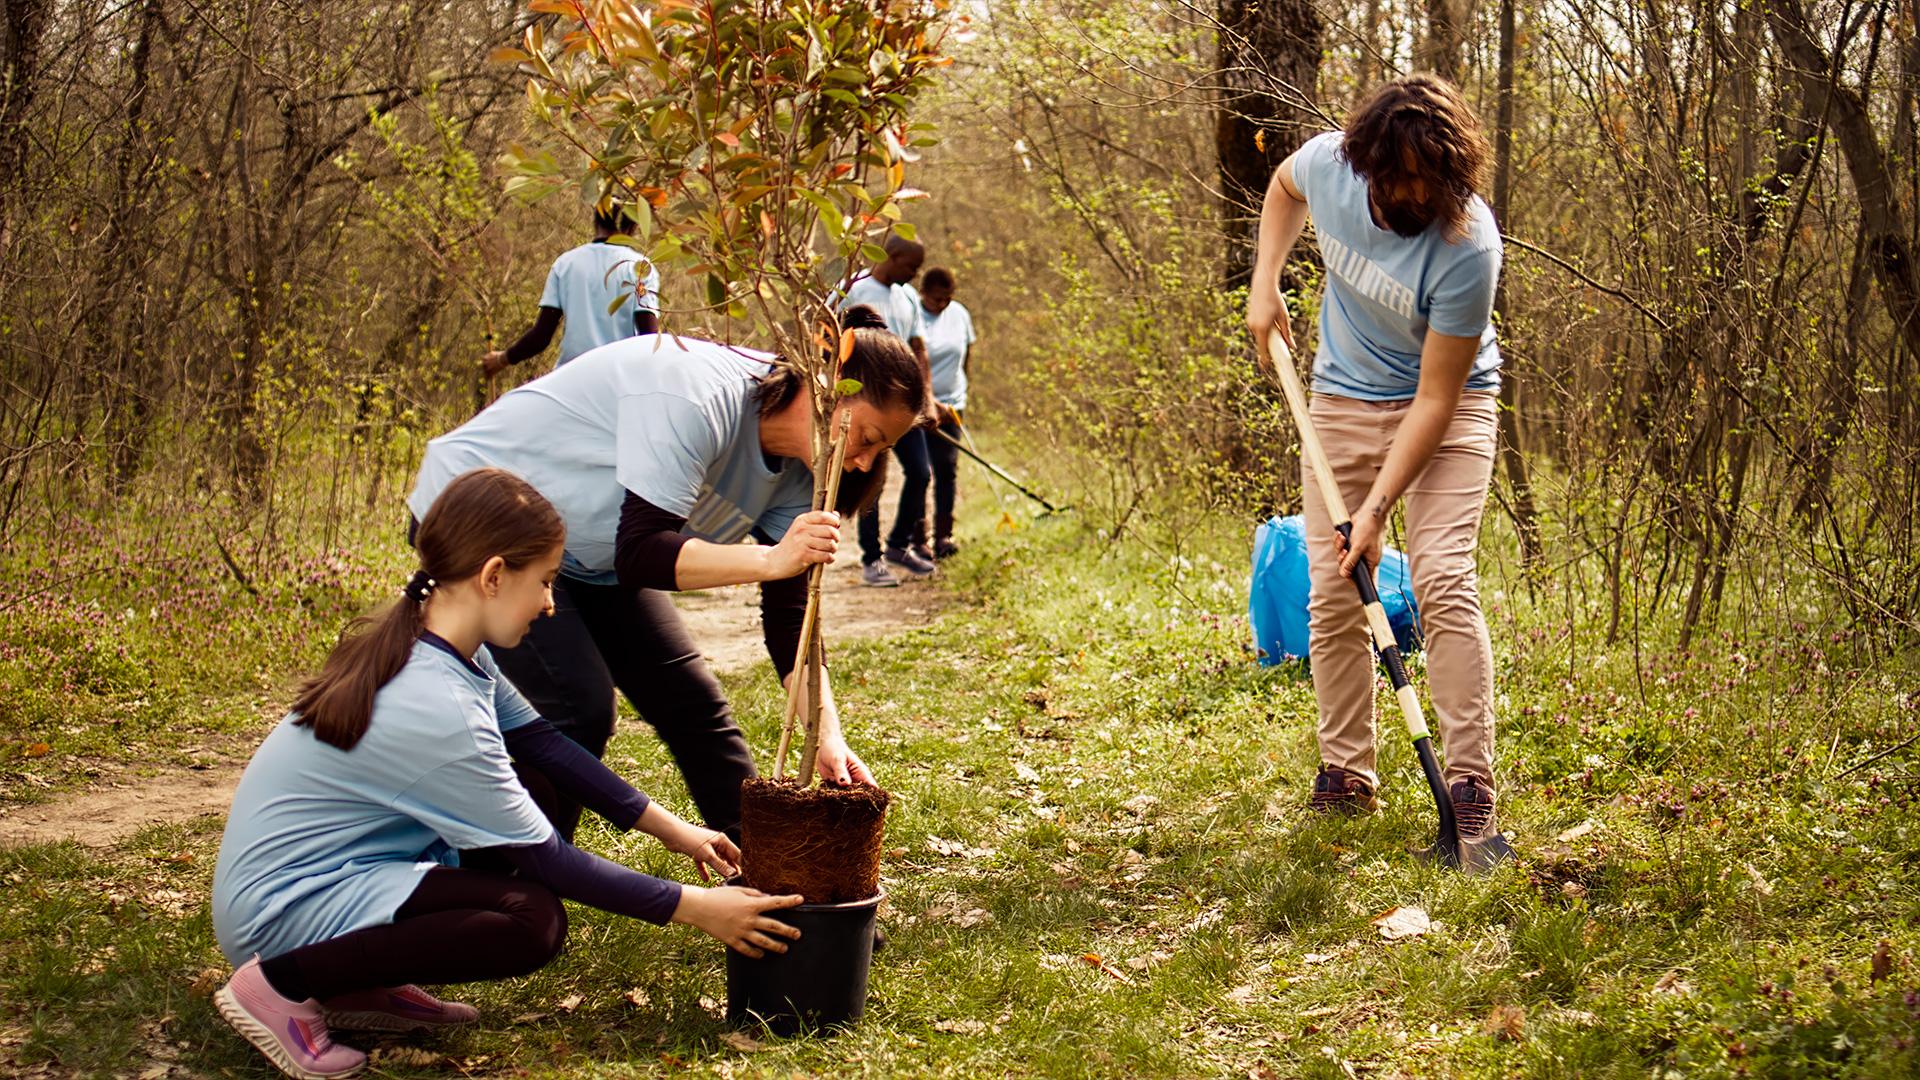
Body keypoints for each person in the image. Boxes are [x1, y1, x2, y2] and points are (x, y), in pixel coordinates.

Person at [210, 468, 804, 1080]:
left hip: (329, 880)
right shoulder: (439, 704)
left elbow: (545, 745)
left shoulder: (445, 645)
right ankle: (282, 986)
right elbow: (547, 860)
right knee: (531, 922)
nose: (552, 603)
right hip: (278, 916)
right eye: (545, 581)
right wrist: (698, 907)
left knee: (539, 787)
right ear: (494, 576)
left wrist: (677, 831)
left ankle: (358, 984)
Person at [407, 310, 926, 846]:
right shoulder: (696, 395)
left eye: (879, 450)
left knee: (693, 705)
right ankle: (511, 886)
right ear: (823, 386)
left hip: (589, 554)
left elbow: (790, 614)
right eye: (865, 436)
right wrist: (772, 560)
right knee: (575, 708)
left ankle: (773, 894)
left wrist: (826, 734)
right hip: (480, 518)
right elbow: (642, 553)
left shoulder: (803, 471)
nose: (863, 463)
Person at [1244, 74, 1505, 840]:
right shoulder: (1331, 164)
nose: (1400, 198)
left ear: (1450, 179)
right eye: (1388, 179)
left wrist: (1378, 511)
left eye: (1420, 185)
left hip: (1447, 413)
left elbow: (1435, 399)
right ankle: (1348, 771)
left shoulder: (1467, 247)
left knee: (1444, 578)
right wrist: (1266, 283)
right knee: (1333, 588)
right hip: (1343, 401)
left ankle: (1467, 785)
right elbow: (1283, 190)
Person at [839, 236, 937, 586]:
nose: (915, 274)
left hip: (905, 406)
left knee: (921, 473)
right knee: (872, 480)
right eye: (911, 266)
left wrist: (926, 399)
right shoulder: (851, 289)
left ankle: (898, 544)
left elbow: (918, 349)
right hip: (867, 403)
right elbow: (826, 340)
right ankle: (871, 558)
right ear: (892, 257)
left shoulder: (908, 297)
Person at [481, 204, 662, 376]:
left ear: (596, 221)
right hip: (619, 379)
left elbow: (541, 336)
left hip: (571, 378)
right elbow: (649, 339)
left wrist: (501, 360)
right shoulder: (640, 268)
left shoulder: (566, 264)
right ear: (633, 224)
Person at [917, 267, 977, 559]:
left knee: (947, 470)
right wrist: (927, 401)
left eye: (947, 299)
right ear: (924, 293)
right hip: (919, 405)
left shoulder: (960, 314)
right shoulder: (913, 314)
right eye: (936, 299)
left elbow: (967, 354)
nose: (942, 305)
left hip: (952, 404)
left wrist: (963, 394)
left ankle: (944, 535)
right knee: (919, 472)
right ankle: (918, 536)